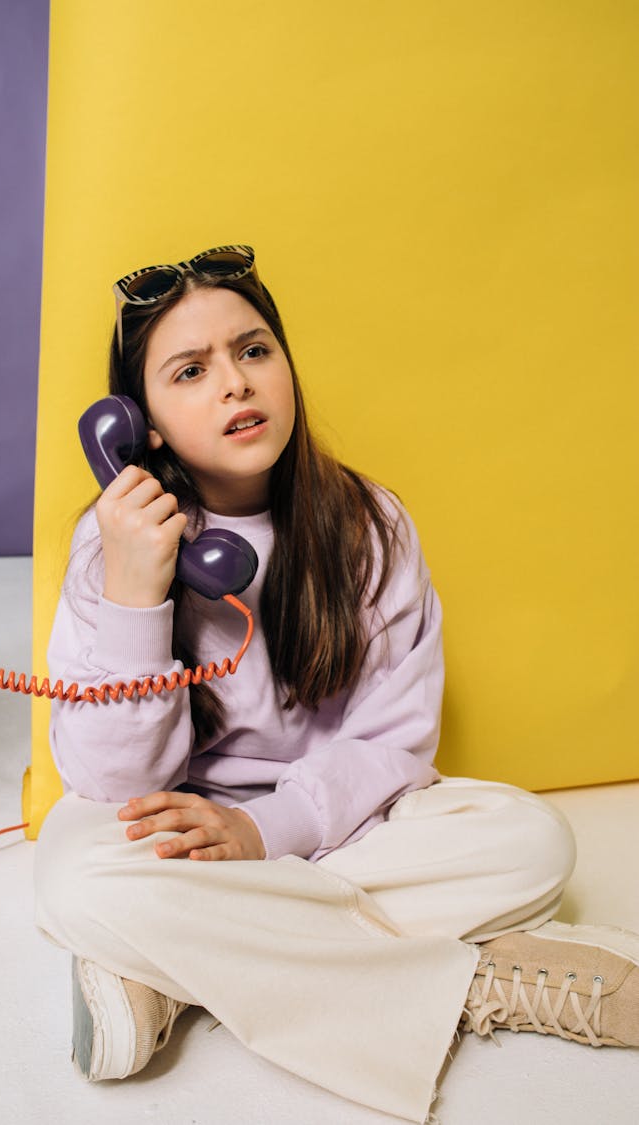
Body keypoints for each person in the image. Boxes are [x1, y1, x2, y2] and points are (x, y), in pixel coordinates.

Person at [34, 245, 639, 1124]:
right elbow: (114, 783)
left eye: (254, 350)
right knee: (73, 874)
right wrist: (137, 591)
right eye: (191, 370)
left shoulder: (369, 524)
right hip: (177, 836)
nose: (235, 384)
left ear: (286, 365)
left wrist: (264, 829)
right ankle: (475, 982)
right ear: (141, 424)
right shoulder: (112, 545)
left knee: (533, 839)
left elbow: (394, 744)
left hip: (339, 825)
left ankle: (170, 975)